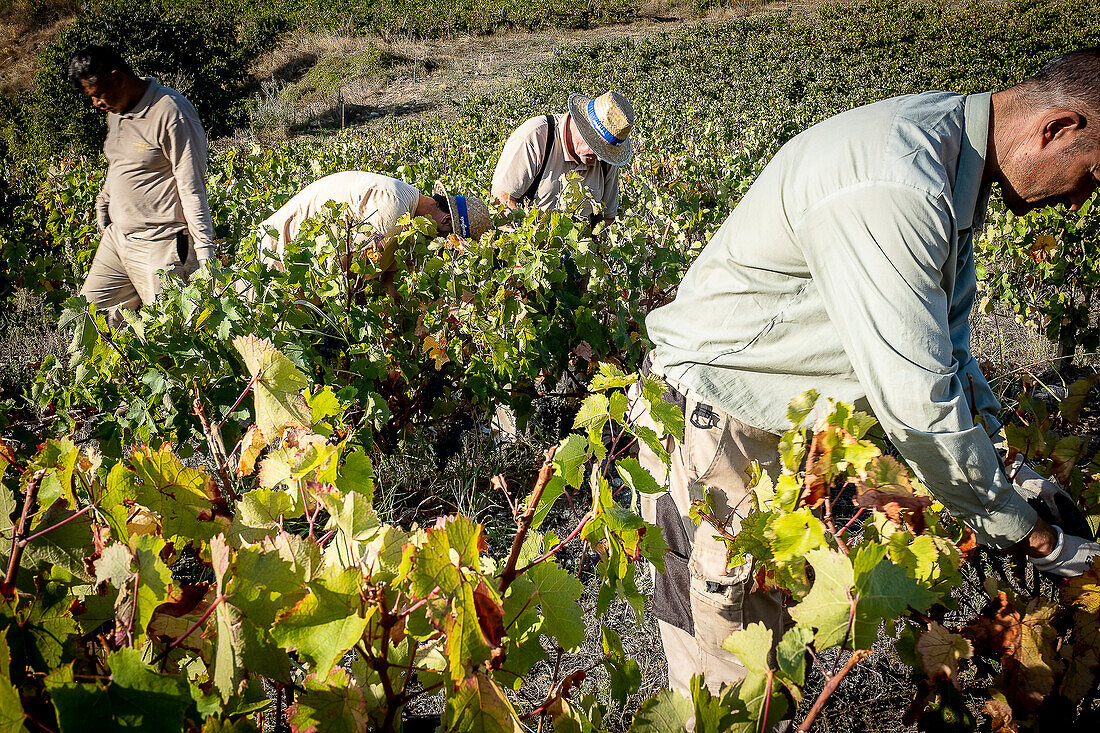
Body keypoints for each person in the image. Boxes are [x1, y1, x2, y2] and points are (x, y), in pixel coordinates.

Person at [636, 48, 1100, 697]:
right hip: (713, 432)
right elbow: (918, 402)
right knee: (726, 694)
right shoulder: (900, 182)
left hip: (769, 432)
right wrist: (1036, 537)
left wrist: (1007, 463)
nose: (1080, 202)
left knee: (770, 671)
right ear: (1058, 128)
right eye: (1092, 176)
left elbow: (948, 351)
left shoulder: (943, 160)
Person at [69, 45, 214, 319]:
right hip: (117, 239)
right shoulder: (116, 113)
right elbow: (120, 164)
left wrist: (206, 256)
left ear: (118, 78)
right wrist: (105, 199)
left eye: (97, 94)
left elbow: (192, 186)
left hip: (160, 244)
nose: (96, 104)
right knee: (87, 319)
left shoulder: (171, 112)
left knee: (175, 337)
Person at [256, 172, 493, 275]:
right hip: (276, 251)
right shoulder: (394, 209)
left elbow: (386, 275)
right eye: (446, 238)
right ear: (446, 219)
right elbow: (351, 268)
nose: (437, 243)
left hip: (297, 256)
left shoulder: (407, 203)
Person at [491, 90, 634, 223]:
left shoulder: (606, 160)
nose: (601, 158)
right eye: (597, 147)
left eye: (606, 152)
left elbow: (607, 219)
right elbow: (502, 200)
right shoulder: (536, 137)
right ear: (581, 125)